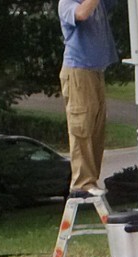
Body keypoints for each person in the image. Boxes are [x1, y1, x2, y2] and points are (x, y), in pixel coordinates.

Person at [57, 0, 117, 195]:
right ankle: (82, 183)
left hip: (95, 69)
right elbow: (82, 14)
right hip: (77, 70)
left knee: (96, 127)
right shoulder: (67, 3)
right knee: (81, 125)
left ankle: (91, 180)